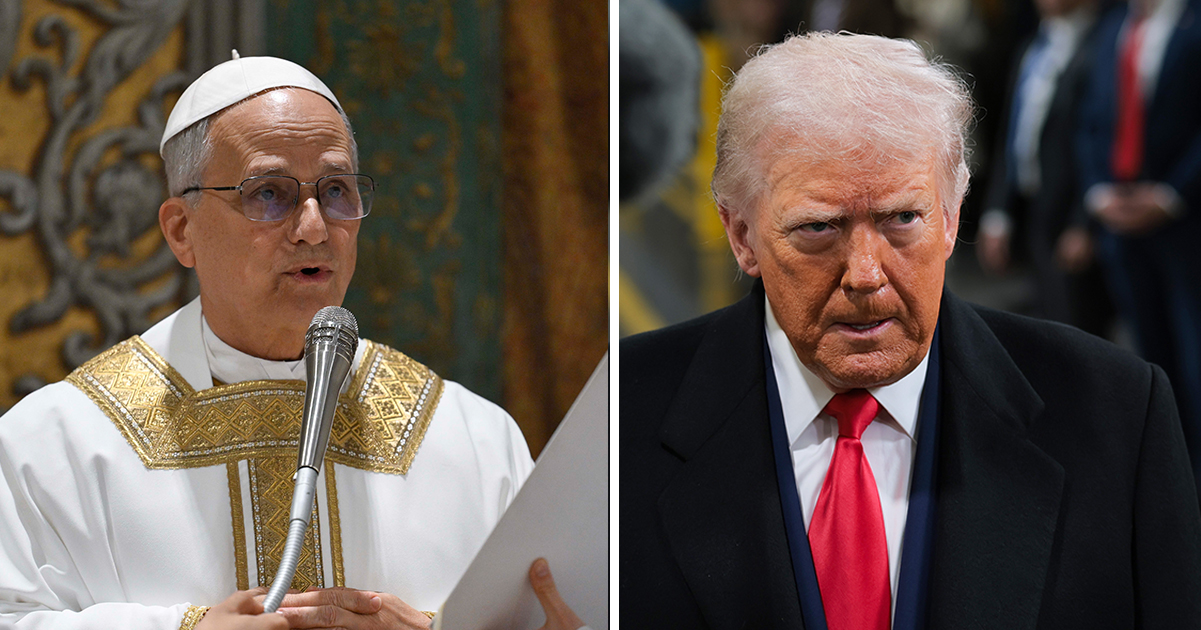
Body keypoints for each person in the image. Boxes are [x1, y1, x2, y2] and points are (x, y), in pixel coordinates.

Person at [621, 32, 1201, 629]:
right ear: (741, 235)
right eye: (820, 227)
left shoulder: (1118, 415)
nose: (866, 275)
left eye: (902, 219)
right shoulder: (620, 416)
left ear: (951, 219)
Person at [0, 55, 584, 630]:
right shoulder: (59, 442)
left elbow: (562, 612)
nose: (313, 228)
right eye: (269, 194)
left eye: (336, 191)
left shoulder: (472, 440)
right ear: (182, 231)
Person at [1076, 0, 1201, 488]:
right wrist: (1097, 192)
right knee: (1150, 362)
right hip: (1121, 224)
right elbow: (1090, 118)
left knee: (1194, 362)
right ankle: (1167, 477)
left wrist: (1172, 195)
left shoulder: (1192, 24)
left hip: (1184, 224)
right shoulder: (1112, 28)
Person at [977, 0, 1114, 338]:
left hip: (1076, 215)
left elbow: (1101, 141)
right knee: (1046, 326)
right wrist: (997, 212)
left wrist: (1085, 223)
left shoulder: (1105, 44)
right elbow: (1012, 133)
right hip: (1034, 206)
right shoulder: (1033, 46)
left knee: (1082, 328)